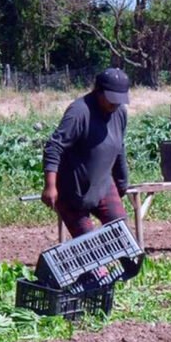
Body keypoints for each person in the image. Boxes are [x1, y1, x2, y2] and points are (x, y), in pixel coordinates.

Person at [41, 67, 130, 238]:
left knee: (123, 236)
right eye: (112, 99)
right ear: (98, 91)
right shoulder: (79, 112)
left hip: (103, 184)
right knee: (89, 245)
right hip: (72, 192)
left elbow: (119, 147)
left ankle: (128, 258)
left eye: (119, 100)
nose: (115, 104)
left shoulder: (119, 113)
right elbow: (54, 147)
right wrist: (50, 186)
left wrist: (122, 181)